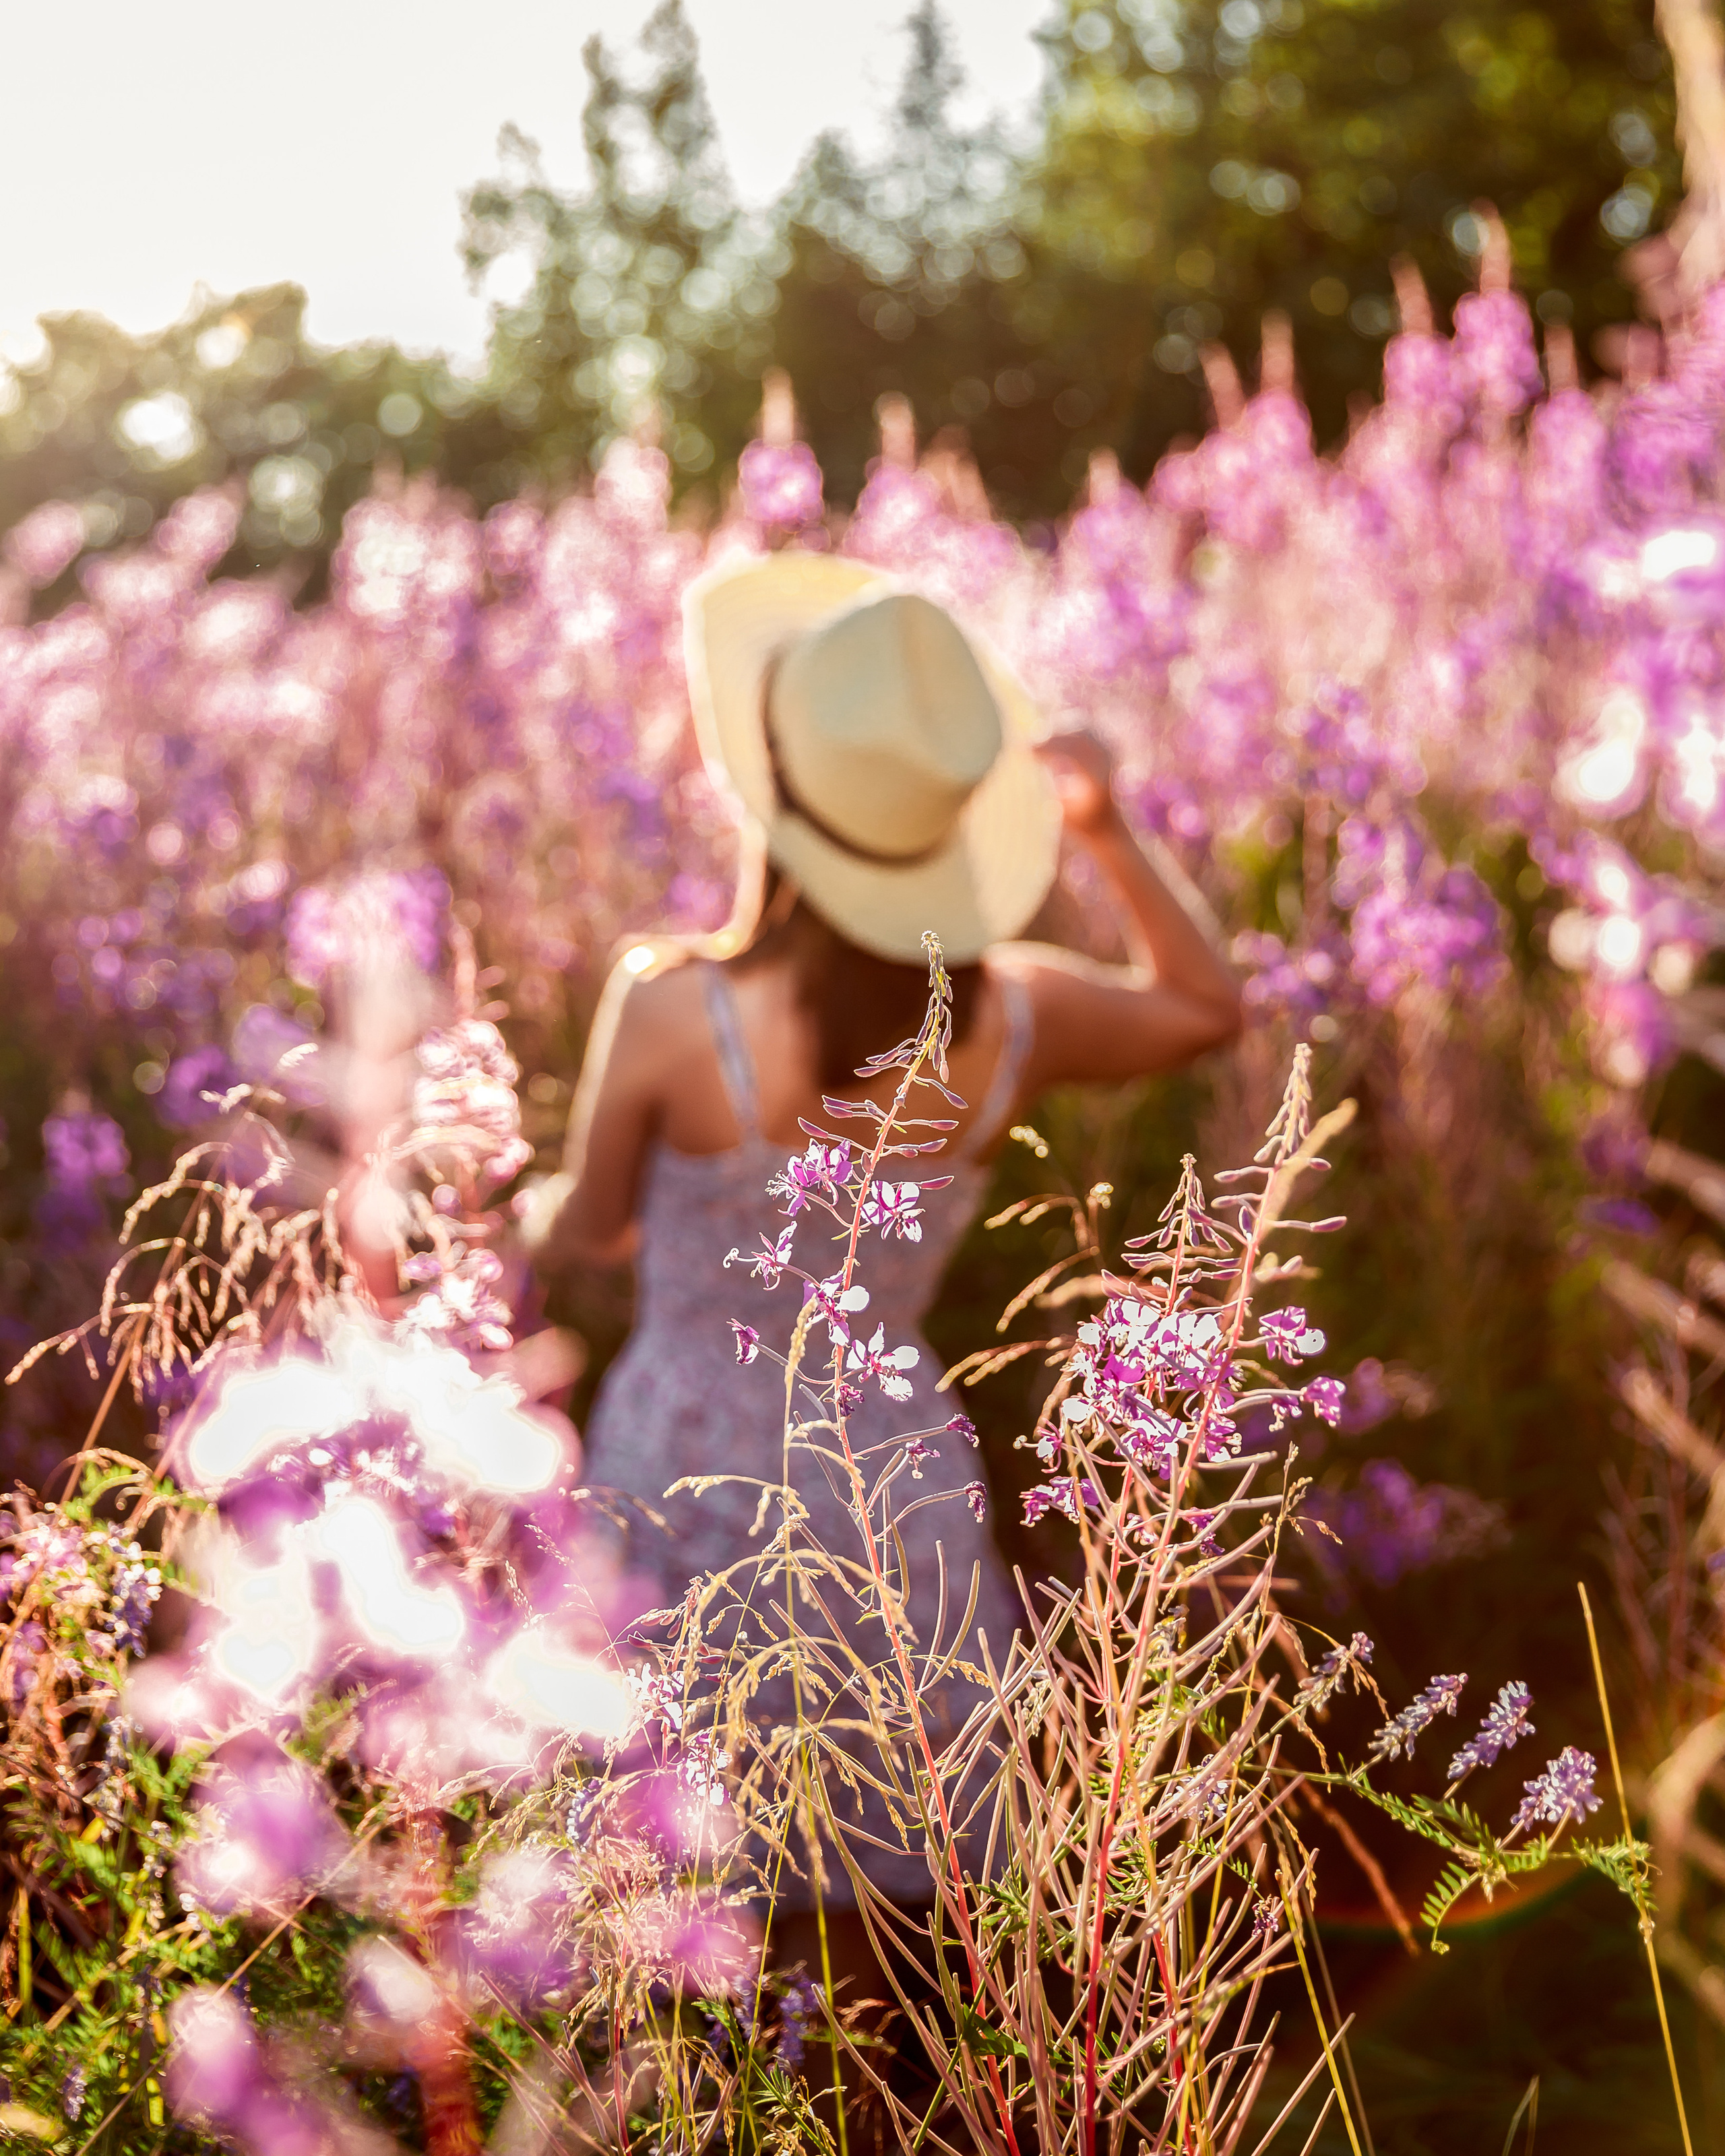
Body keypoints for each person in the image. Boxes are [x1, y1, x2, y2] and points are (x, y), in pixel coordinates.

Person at [525, 552, 1240, 2043]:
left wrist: (495, 1203)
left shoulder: (676, 1008)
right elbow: (1200, 1005)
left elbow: (588, 1233)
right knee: (873, 1872)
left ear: (776, 798)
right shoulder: (1011, 1017)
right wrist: (1104, 829)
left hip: (684, 1476)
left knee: (663, 1869)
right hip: (887, 1471)